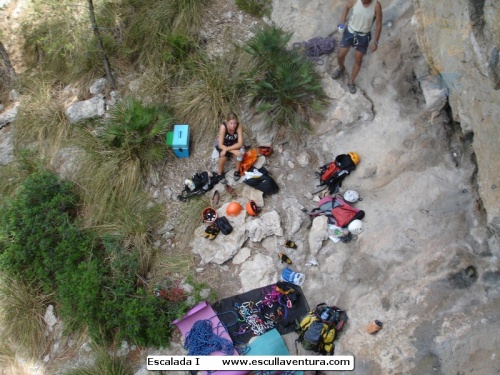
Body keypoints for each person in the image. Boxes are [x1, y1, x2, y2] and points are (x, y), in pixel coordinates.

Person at [331, 0, 382, 94]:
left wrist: (376, 42)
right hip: (350, 32)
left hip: (363, 36)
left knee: (358, 59)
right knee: (341, 55)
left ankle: (351, 81)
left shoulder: (376, 6)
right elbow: (346, 7)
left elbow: (379, 24)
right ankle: (341, 67)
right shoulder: (355, 1)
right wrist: (342, 23)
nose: (362, 1)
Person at [215, 112, 244, 183]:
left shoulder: (238, 126)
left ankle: (237, 171)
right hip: (224, 143)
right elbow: (220, 144)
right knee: (223, 157)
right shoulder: (223, 127)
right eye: (231, 123)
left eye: (235, 123)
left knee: (238, 154)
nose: (233, 125)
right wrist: (233, 151)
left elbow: (240, 143)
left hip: (233, 143)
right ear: (227, 122)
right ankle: (219, 174)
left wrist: (228, 149)